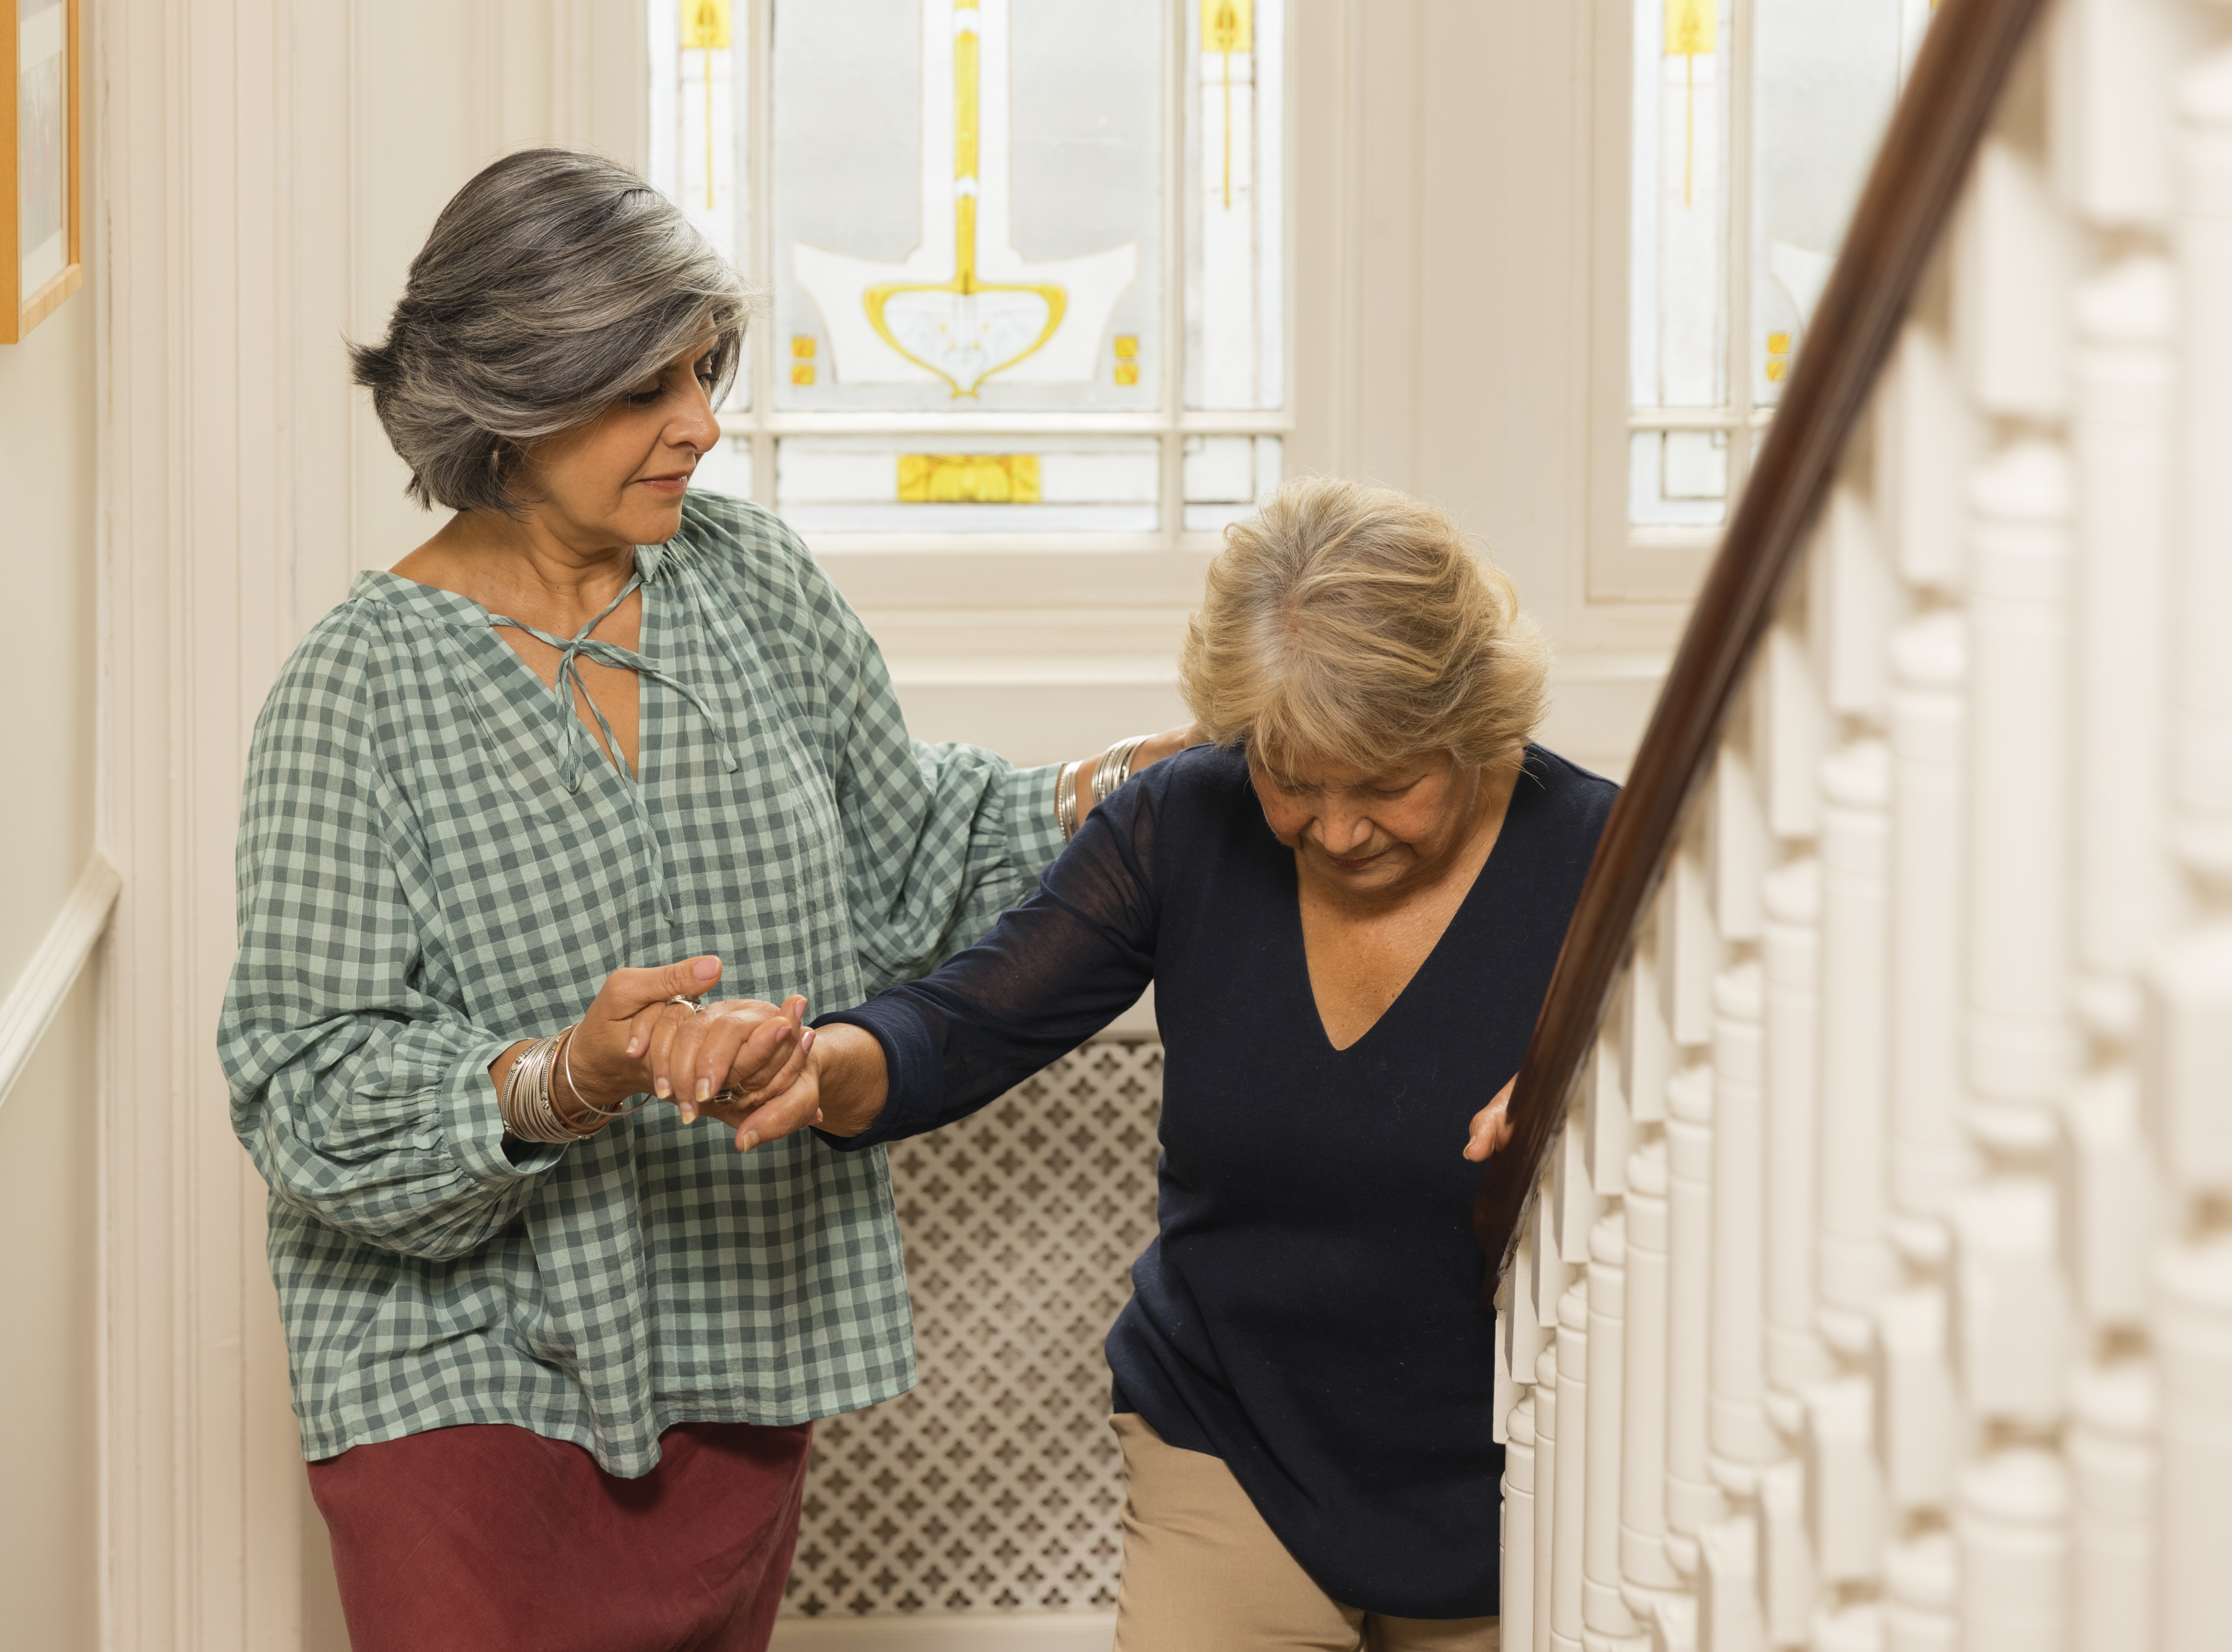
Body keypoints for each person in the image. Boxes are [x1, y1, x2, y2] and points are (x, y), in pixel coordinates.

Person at [215, 147, 1193, 1652]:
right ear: (516, 395)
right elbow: (304, 1081)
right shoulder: (355, 690)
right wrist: (563, 1075)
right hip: (458, 1369)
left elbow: (913, 851)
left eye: (703, 369)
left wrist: (1104, 788)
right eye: (644, 388)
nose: (702, 423)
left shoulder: (750, 582)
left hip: (737, 1329)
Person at [736, 479, 1614, 1652]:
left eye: (1389, 784)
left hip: (1518, 1452)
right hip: (1233, 1434)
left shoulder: (1603, 865)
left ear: (1478, 728)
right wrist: (820, 1062)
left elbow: (1727, 1109)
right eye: (1292, 779)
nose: (1338, 830)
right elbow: (965, 1025)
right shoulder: (1186, 820)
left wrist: (1595, 1095)